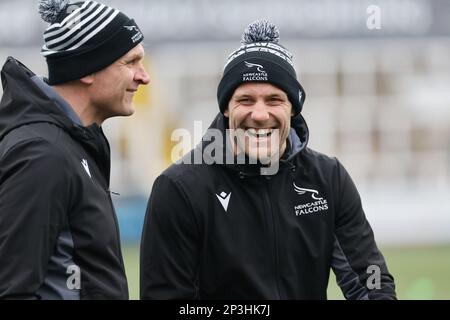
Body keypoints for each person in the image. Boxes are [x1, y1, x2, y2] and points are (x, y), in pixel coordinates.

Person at [140, 20, 396, 300]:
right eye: (246, 100)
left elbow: (369, 278)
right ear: (226, 107)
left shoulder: (328, 178)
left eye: (274, 99)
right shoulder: (179, 189)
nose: (260, 114)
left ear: (292, 108)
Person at [0, 0, 150, 299]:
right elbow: (12, 289)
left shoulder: (68, 145)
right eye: (130, 62)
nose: (143, 76)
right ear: (88, 68)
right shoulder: (44, 154)